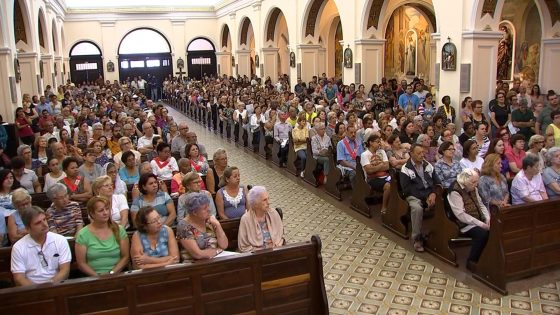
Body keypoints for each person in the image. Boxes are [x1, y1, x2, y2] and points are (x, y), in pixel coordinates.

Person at [10, 206, 71, 286]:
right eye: (38, 223)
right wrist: (38, 291)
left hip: (57, 286)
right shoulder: (18, 247)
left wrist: (49, 286)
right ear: (28, 228)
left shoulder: (60, 240)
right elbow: (19, 278)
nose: (44, 224)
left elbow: (65, 270)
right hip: (31, 291)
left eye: (44, 219)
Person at [447, 169, 490, 269]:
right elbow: (461, 215)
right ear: (465, 181)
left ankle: (487, 258)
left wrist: (487, 218)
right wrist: (481, 224)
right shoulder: (455, 191)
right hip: (463, 223)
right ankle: (472, 261)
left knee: (495, 229)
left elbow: (481, 204)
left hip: (478, 219)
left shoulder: (472, 187)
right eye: (474, 182)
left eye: (477, 182)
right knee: (482, 234)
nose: (476, 185)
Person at [75, 196, 129, 275]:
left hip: (117, 275)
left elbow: (125, 257)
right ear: (92, 214)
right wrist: (98, 277)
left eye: (107, 209)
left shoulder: (119, 230)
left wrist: (112, 273)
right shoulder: (83, 234)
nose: (105, 213)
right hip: (93, 278)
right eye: (101, 210)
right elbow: (81, 264)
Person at [400, 144, 438, 252]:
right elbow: (407, 190)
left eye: (423, 152)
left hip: (429, 194)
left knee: (445, 203)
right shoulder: (405, 169)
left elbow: (437, 182)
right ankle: (417, 239)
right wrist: (423, 198)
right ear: (411, 154)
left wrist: (433, 193)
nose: (422, 155)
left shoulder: (428, 165)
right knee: (417, 208)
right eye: (419, 153)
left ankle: (439, 235)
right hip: (414, 196)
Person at [176, 192, 228, 261]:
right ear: (194, 212)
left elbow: (224, 245)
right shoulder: (184, 226)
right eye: (204, 208)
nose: (209, 210)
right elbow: (198, 254)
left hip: (215, 259)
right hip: (195, 265)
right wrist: (217, 251)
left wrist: (218, 225)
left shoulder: (209, 220)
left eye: (208, 206)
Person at [238, 186, 284, 252]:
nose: (268, 202)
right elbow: (243, 247)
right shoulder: (246, 219)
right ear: (255, 204)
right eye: (264, 200)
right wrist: (262, 252)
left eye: (268, 199)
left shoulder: (273, 213)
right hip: (256, 257)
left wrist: (278, 246)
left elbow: (281, 237)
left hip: (276, 252)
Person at [360, 134, 390, 214]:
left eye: (380, 142)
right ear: (371, 143)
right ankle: (384, 207)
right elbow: (369, 171)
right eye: (377, 142)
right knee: (388, 186)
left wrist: (375, 167)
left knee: (397, 182)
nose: (379, 144)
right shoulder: (364, 155)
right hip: (372, 179)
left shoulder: (382, 151)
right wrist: (380, 165)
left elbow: (387, 166)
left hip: (385, 176)